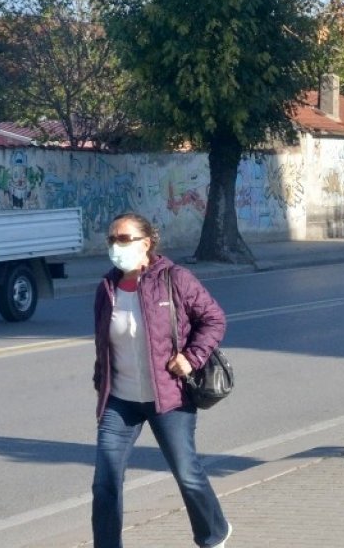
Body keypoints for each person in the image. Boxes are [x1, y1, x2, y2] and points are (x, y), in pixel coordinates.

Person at [92, 212, 231, 548]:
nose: (116, 246)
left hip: (168, 397)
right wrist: (102, 382)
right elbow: (103, 344)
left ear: (146, 243)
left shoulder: (174, 279)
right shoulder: (107, 288)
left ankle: (214, 533)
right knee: (105, 482)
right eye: (112, 239)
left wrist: (191, 358)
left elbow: (214, 319)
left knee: (187, 473)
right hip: (120, 401)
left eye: (124, 239)